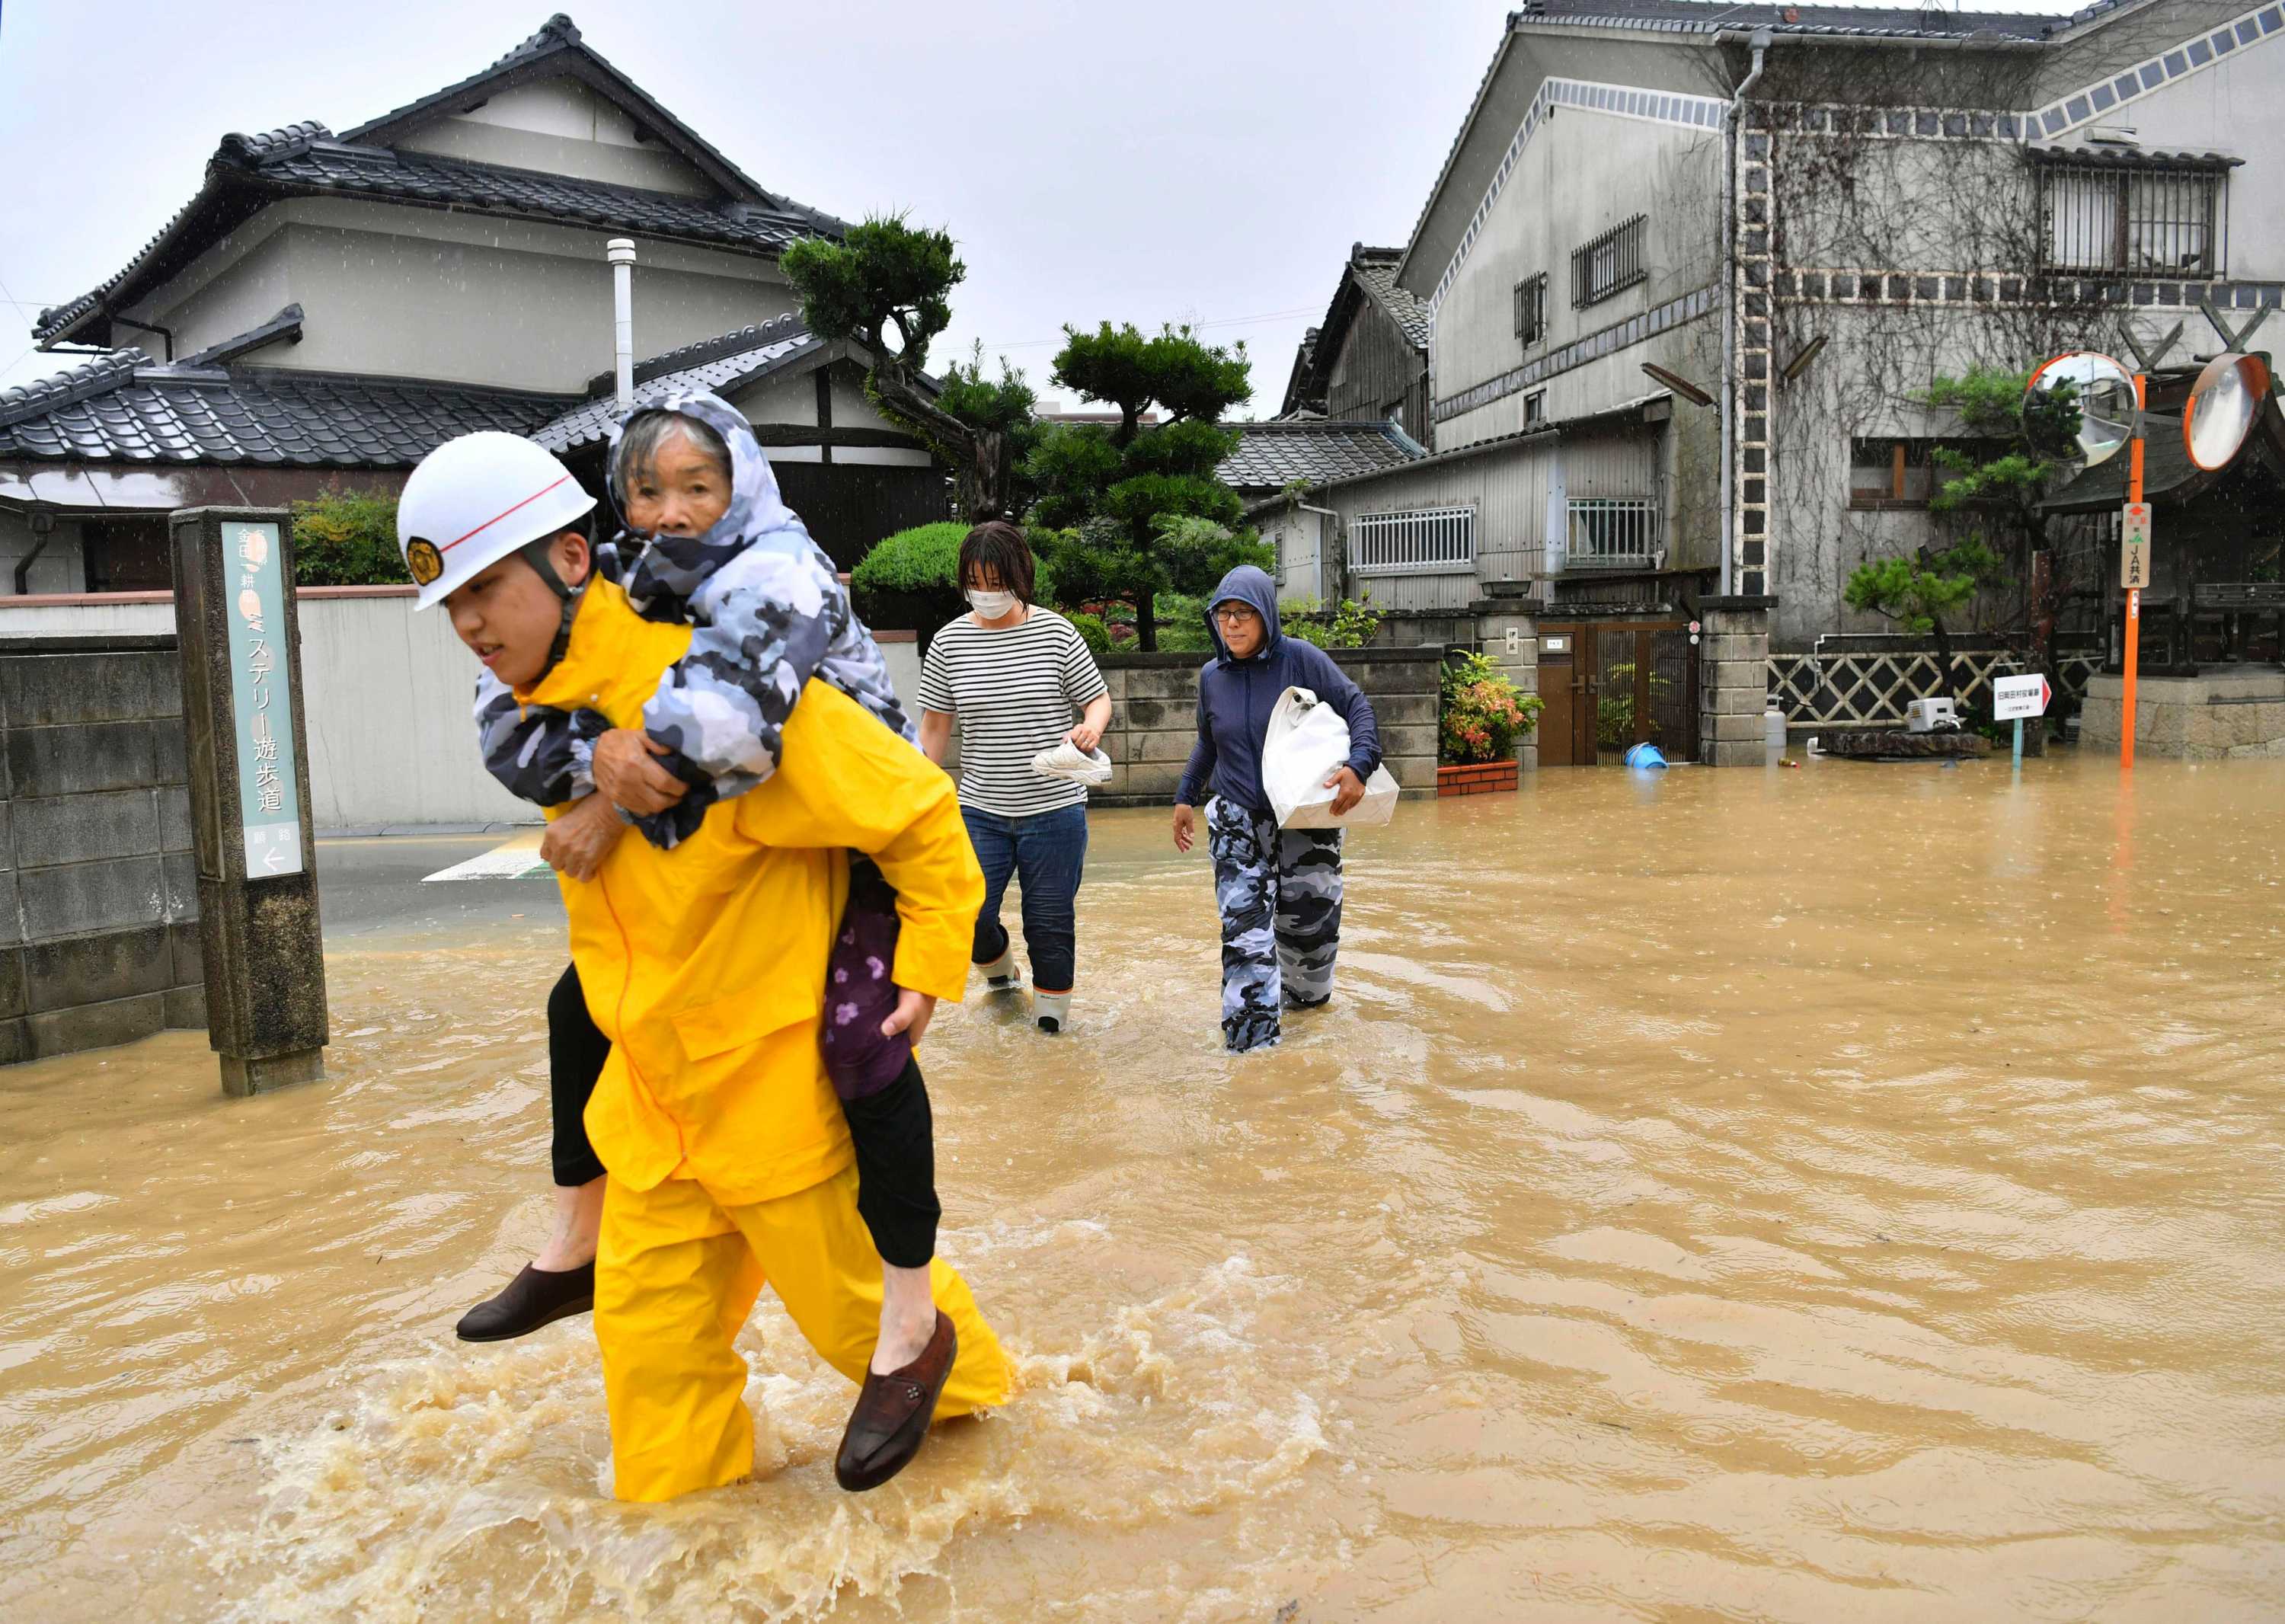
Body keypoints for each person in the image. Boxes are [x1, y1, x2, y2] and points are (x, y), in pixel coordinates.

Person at [401, 430, 1008, 1501]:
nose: (470, 626)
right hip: (655, 1118)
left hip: (781, 1111)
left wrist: (926, 961)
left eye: (487, 589)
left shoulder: (734, 697)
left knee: (890, 1347)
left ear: (572, 563)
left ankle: (1013, 1485)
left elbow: (915, 805)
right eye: (452, 605)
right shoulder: (550, 718)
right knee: (652, 1385)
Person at [1171, 565, 1381, 1054]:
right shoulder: (1212, 676)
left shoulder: (1301, 660)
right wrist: (1185, 797)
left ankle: (1305, 1021)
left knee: (1310, 941)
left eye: (1244, 613)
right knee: (1246, 939)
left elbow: (1358, 708)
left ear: (1267, 615)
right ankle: (1252, 1054)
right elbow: (1208, 742)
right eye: (1224, 615)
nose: (1233, 625)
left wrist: (1359, 766)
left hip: (1306, 821)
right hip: (1237, 820)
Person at [915, 522, 1111, 1034]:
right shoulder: (948, 642)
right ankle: (1001, 976)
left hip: (1055, 811)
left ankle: (1051, 1030)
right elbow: (935, 725)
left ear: (1019, 577)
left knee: (1050, 924)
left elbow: (1097, 697)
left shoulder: (1055, 632)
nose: (986, 591)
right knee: (969, 914)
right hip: (980, 811)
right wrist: (915, 793)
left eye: (996, 580)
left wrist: (1090, 728)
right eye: (975, 580)